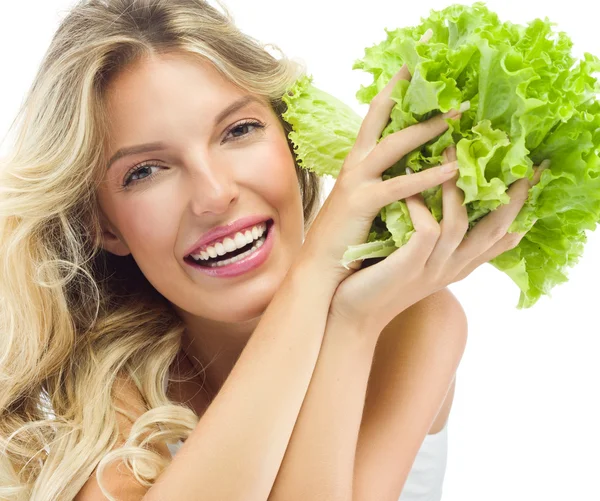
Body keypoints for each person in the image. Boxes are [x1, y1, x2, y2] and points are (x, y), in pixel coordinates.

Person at [0, 0, 546, 499]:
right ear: (106, 227)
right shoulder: (105, 378)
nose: (214, 196)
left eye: (238, 130)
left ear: (293, 142)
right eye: (145, 171)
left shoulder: (412, 320)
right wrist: (315, 279)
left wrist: (351, 321)